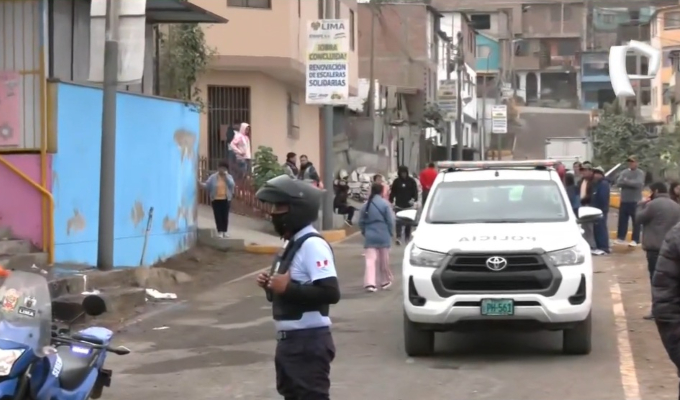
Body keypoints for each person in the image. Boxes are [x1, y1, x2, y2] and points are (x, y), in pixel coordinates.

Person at [254, 175, 340, 400]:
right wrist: (270, 286)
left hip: (307, 343)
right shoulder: (292, 244)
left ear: (298, 209)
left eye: (280, 207)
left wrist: (287, 289)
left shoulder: (313, 245)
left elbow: (331, 292)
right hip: (291, 343)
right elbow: (286, 290)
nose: (274, 213)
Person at [636, 181, 680, 320]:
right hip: (672, 248)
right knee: (672, 281)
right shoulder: (675, 205)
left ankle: (657, 311)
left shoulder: (653, 204)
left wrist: (641, 204)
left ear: (655, 191)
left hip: (655, 248)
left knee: (657, 282)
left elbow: (639, 218)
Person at [358, 183, 394, 293]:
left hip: (370, 234)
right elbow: (390, 221)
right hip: (383, 233)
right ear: (382, 191)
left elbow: (361, 221)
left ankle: (370, 283)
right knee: (384, 260)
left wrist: (365, 231)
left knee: (370, 260)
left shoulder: (366, 205)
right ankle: (385, 281)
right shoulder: (385, 204)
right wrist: (390, 233)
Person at [198, 160, 235, 238]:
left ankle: (225, 231)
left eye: (224, 168)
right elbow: (207, 186)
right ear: (218, 168)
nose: (222, 170)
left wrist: (226, 177)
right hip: (216, 199)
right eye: (220, 168)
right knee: (218, 216)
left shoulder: (229, 177)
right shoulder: (213, 177)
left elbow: (232, 185)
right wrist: (200, 184)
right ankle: (220, 231)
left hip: (226, 199)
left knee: (225, 216)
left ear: (226, 169)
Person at [615, 156, 645, 247]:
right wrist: (630, 182)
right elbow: (618, 183)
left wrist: (626, 181)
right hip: (624, 200)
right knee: (622, 220)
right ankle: (620, 237)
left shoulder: (640, 173)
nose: (631, 163)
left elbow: (638, 184)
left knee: (636, 221)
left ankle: (635, 239)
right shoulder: (624, 172)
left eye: (633, 162)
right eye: (630, 162)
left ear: (637, 163)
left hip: (635, 201)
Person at [390, 166, 419, 245]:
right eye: (402, 173)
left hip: (408, 205)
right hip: (399, 204)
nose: (403, 174)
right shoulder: (396, 181)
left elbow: (415, 191)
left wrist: (414, 199)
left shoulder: (411, 181)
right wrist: (391, 200)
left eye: (405, 173)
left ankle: (407, 236)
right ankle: (398, 236)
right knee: (398, 222)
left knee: (408, 222)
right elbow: (393, 192)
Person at [590, 166, 611, 255]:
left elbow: (602, 198)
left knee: (601, 228)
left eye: (598, 173)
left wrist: (600, 208)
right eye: (595, 173)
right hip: (596, 209)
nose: (595, 175)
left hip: (601, 210)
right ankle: (599, 246)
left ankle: (604, 247)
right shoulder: (596, 184)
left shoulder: (603, 184)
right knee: (597, 229)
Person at [579, 162, 596, 251]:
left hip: (589, 206)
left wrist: (584, 200)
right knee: (583, 227)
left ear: (590, 171)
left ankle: (591, 245)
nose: (583, 172)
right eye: (582, 170)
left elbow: (592, 195)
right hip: (581, 206)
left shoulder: (593, 182)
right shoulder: (581, 181)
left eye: (585, 170)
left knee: (589, 227)